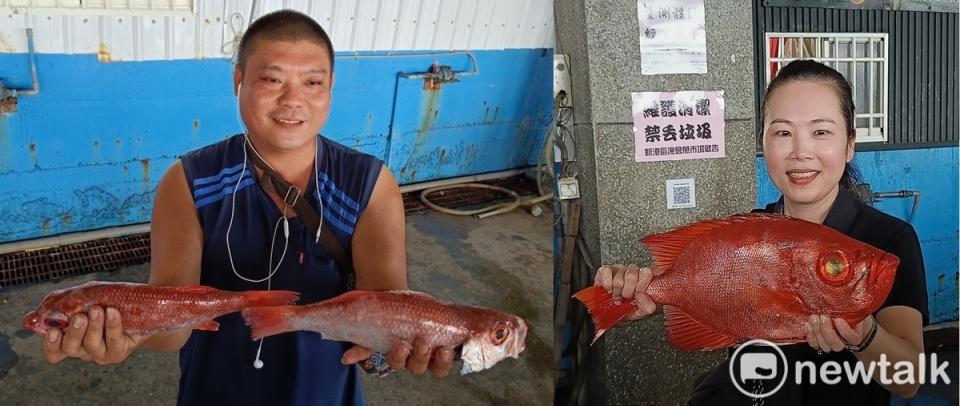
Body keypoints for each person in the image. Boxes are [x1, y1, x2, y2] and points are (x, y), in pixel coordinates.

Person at [38, 9, 454, 405]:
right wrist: (128, 332)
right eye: (272, 79)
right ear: (238, 80)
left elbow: (386, 312)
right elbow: (173, 331)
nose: (293, 100)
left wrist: (389, 352)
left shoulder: (370, 184)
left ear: (330, 88)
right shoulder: (188, 183)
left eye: (312, 83)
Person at [595, 60, 928, 404]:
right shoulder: (743, 236)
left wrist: (863, 333)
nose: (801, 152)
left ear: (849, 144)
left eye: (821, 132)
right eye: (783, 132)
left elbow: (909, 379)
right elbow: (695, 298)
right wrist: (629, 296)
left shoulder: (888, 241)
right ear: (763, 144)